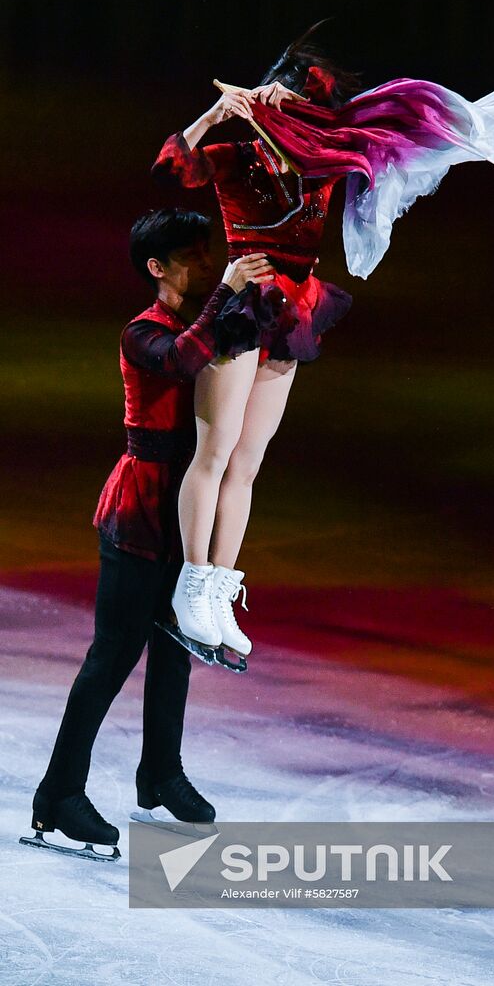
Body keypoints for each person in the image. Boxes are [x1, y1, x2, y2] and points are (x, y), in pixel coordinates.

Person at [152, 20, 494, 660]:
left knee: (249, 459)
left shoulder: (326, 162)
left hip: (294, 307)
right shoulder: (236, 156)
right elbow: (171, 171)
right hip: (246, 301)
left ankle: (218, 585)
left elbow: (394, 143)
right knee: (214, 449)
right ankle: (190, 584)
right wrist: (217, 113)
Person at [21, 209, 273, 860]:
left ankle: (160, 773)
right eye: (191, 257)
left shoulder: (207, 316)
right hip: (140, 506)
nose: (205, 263)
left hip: (183, 507)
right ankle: (59, 793)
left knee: (176, 647)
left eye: (205, 252)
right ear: (158, 269)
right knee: (113, 654)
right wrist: (228, 292)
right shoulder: (144, 331)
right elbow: (184, 359)